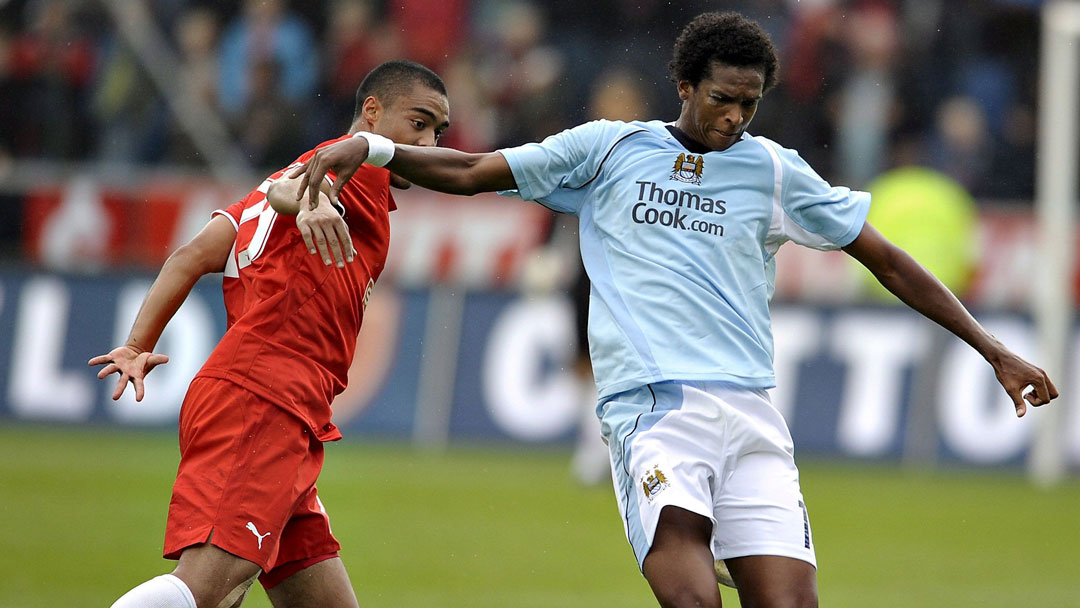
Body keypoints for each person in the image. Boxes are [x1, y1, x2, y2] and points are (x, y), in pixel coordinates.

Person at [285, 12, 1058, 608]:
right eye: (721, 99)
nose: (734, 118)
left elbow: (884, 258)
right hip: (653, 409)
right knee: (688, 596)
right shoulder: (610, 150)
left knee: (793, 600)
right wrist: (378, 150)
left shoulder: (775, 171)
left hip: (752, 412)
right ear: (685, 87)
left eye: (749, 104)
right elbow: (474, 169)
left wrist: (991, 347)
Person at [88, 59, 449, 608]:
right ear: (372, 113)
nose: (425, 143)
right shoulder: (353, 166)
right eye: (418, 124)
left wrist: (138, 344)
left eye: (437, 132)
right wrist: (311, 201)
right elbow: (294, 189)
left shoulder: (255, 201)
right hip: (265, 395)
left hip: (276, 400)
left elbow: (190, 255)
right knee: (206, 589)